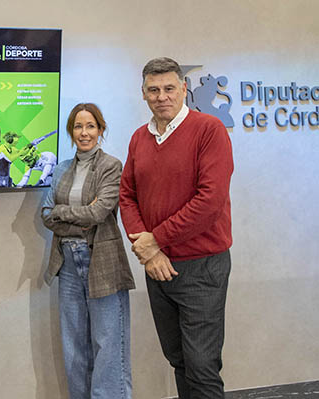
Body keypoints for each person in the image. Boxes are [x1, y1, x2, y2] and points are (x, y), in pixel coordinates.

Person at [119, 57, 234, 398]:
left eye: (169, 88)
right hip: (157, 268)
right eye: (153, 90)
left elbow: (209, 201)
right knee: (179, 361)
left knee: (202, 366)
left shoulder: (209, 130)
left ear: (184, 89)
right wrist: (149, 248)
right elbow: (127, 196)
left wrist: (155, 240)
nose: (162, 96)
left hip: (202, 267)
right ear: (143, 94)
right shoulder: (140, 138)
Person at [41, 103, 135, 399]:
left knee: (109, 344)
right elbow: (45, 213)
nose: (84, 132)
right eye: (78, 126)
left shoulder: (111, 166)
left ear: (101, 130)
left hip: (101, 262)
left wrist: (62, 212)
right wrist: (75, 216)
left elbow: (98, 213)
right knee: (74, 346)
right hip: (67, 263)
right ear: (71, 131)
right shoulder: (60, 169)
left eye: (90, 126)